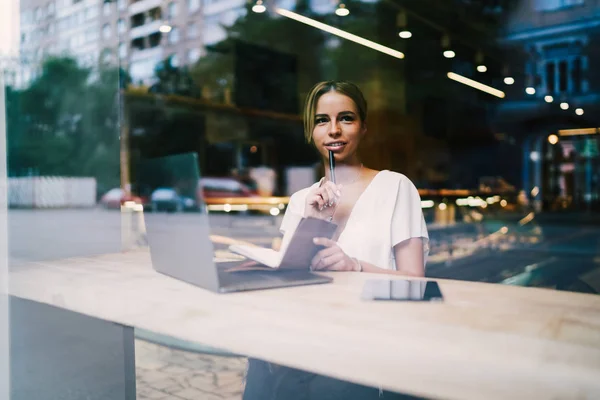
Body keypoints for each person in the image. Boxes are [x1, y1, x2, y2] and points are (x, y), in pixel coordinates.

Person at [242, 80, 429, 400]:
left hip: (366, 346)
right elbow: (288, 280)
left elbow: (417, 284)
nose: (334, 130)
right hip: (308, 342)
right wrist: (313, 222)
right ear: (310, 131)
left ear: (363, 127)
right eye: (321, 120)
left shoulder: (395, 187)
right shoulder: (302, 199)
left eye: (346, 118)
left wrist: (355, 266)